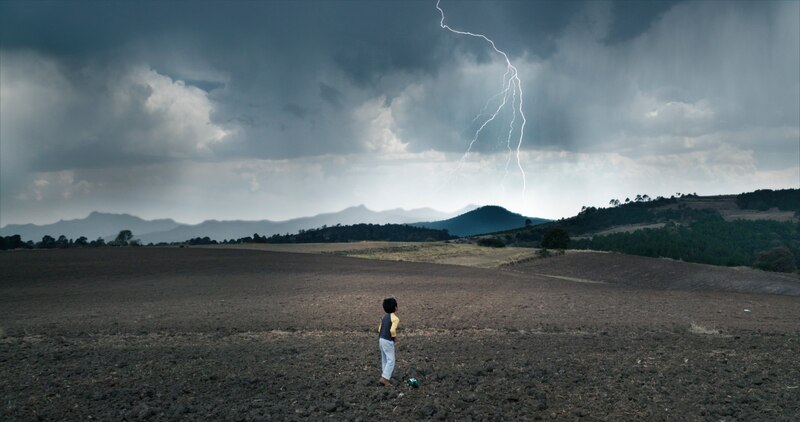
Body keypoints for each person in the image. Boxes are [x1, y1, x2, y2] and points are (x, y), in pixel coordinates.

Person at [378, 297, 399, 386]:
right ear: (396, 308)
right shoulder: (395, 318)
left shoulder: (384, 317)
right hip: (387, 340)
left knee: (384, 358)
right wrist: (394, 337)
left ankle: (385, 375)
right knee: (391, 360)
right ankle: (385, 379)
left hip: (381, 339)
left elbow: (379, 329)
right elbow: (392, 330)